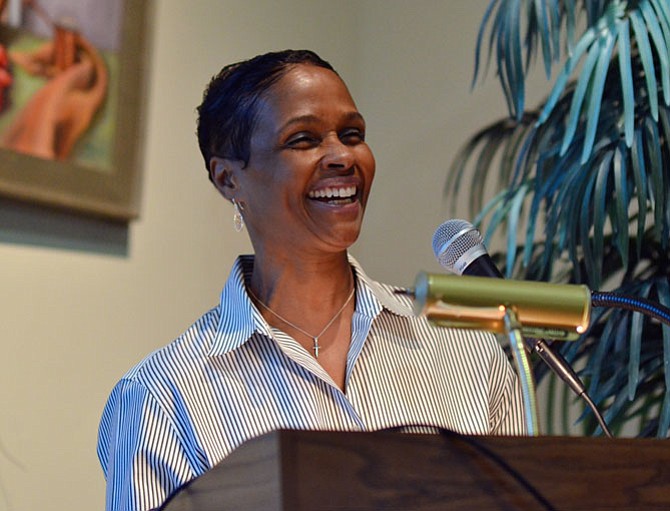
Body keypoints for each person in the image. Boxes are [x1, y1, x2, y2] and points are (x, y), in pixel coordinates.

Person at [97, 49, 527, 511]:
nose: (342, 155)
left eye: (352, 134)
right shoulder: (163, 398)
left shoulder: (463, 346)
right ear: (228, 179)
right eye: (303, 139)